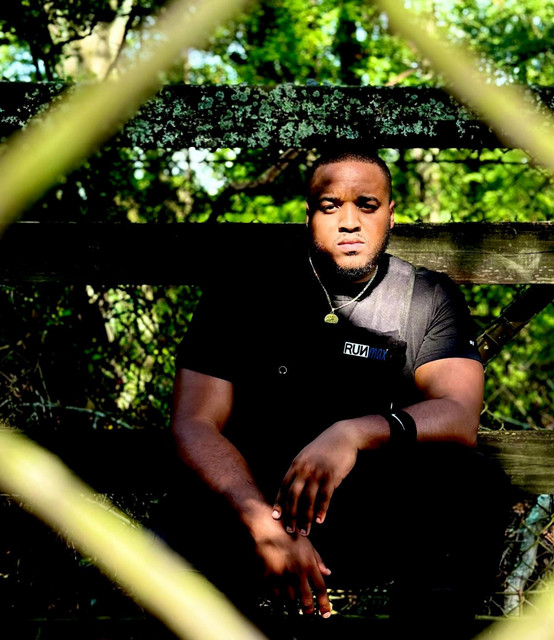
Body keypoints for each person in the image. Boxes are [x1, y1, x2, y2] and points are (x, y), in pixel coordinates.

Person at [165, 148, 510, 638]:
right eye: (330, 206)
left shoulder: (427, 297)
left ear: (391, 213)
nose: (349, 221)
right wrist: (262, 523)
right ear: (309, 214)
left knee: (473, 482)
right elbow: (194, 423)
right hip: (251, 508)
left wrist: (351, 434)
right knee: (171, 531)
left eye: (367, 205)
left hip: (370, 515)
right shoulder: (244, 292)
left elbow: (458, 413)